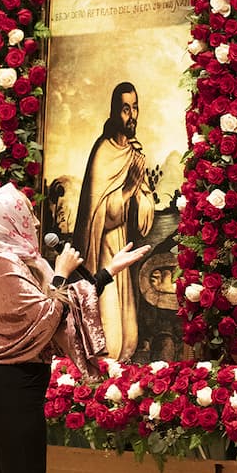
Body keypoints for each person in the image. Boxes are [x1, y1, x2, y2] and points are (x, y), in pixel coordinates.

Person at [0, 182, 149, 473]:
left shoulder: (13, 262)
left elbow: (64, 305)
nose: (36, 220)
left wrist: (108, 271)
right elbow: (45, 316)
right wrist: (61, 272)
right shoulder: (3, 266)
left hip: (6, 387)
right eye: (26, 211)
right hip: (8, 389)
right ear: (8, 218)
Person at [72, 82, 156, 360]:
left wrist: (143, 197)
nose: (131, 115)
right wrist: (131, 187)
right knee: (111, 332)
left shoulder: (133, 152)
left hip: (124, 244)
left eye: (135, 108)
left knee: (128, 330)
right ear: (114, 112)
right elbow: (105, 217)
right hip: (104, 248)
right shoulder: (103, 152)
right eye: (125, 109)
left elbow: (144, 211)